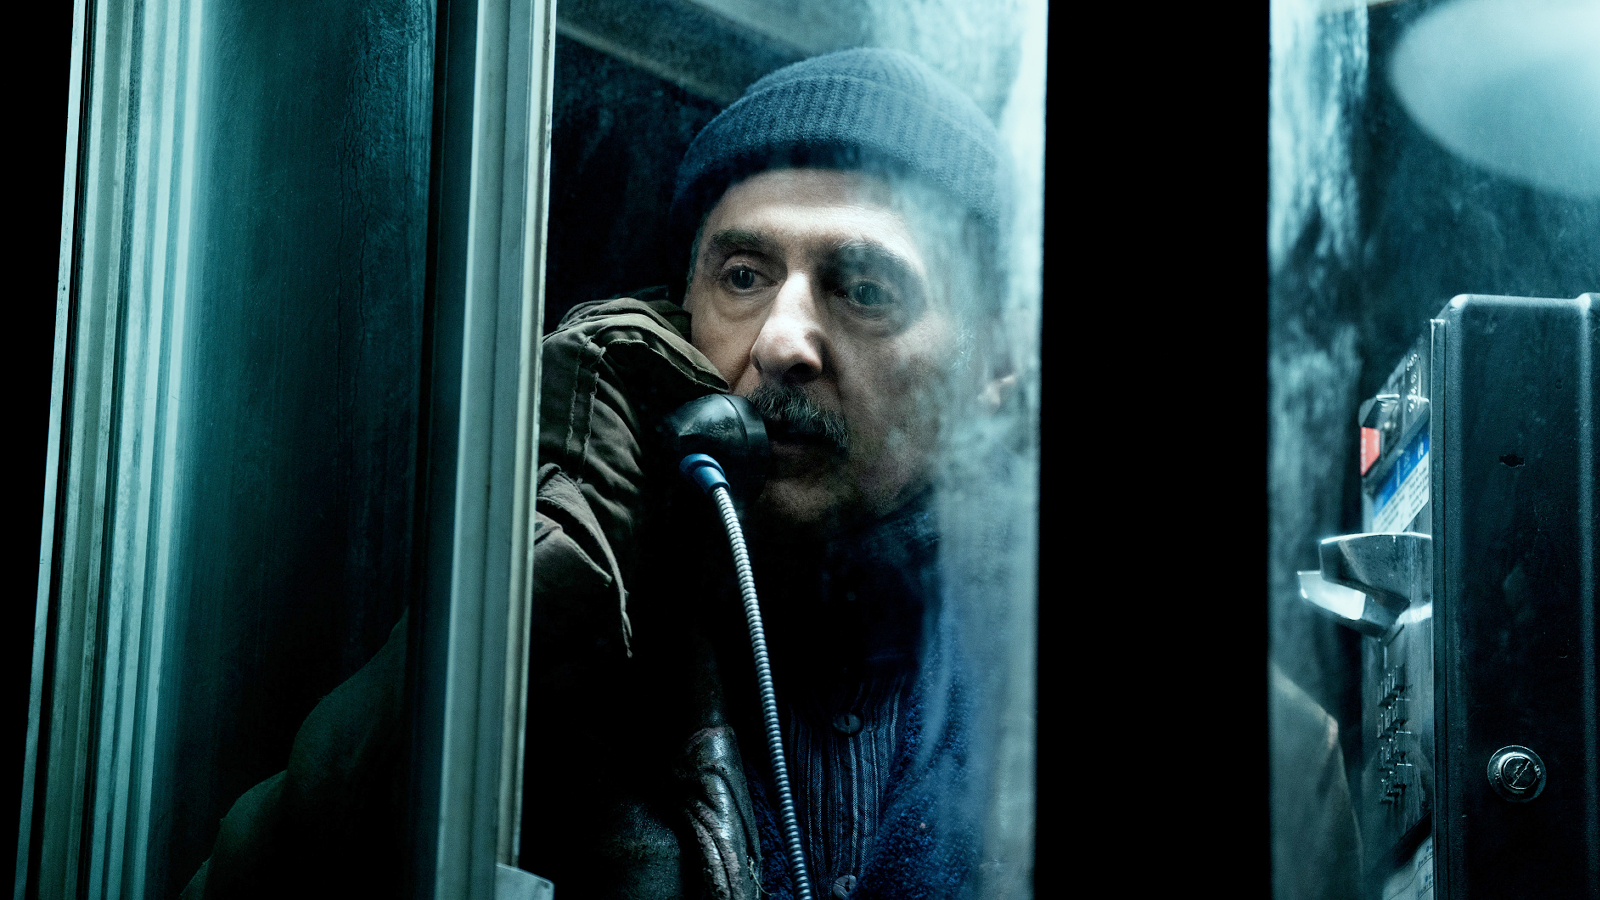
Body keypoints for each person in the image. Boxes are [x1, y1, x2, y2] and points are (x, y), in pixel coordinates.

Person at [183, 46, 1011, 900]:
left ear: (996, 363)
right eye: (742, 277)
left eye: (865, 290)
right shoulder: (571, 607)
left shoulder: (1013, 655)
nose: (778, 342)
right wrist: (538, 588)